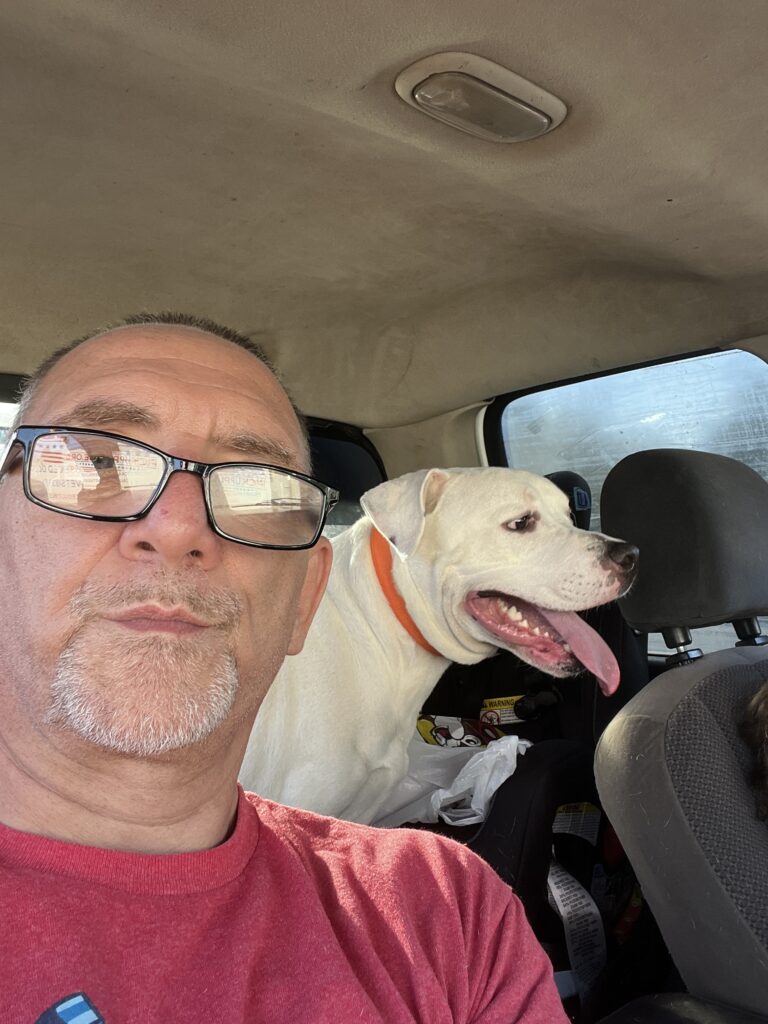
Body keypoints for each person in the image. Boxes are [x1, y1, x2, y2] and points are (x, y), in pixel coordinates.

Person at [0, 311, 567, 1023]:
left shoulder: (447, 911)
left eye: (258, 490)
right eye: (98, 464)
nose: (178, 528)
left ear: (306, 596)